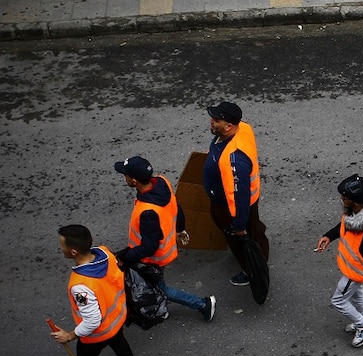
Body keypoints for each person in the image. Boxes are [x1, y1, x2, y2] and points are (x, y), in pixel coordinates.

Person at [114, 156, 216, 321]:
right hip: (164, 251)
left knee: (162, 289)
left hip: (152, 258)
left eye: (125, 175)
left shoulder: (147, 211)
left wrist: (125, 257)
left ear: (134, 181)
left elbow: (149, 246)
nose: (124, 177)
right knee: (155, 285)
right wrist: (180, 228)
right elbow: (177, 207)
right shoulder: (161, 182)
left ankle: (203, 304)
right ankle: (162, 308)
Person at [51, 225, 143, 356]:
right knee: (118, 341)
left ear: (73, 252)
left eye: (62, 245)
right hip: (116, 316)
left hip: (100, 331)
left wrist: (69, 336)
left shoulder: (81, 286)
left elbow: (92, 321)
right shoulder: (105, 253)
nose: (60, 248)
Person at [316, 174, 363, 348]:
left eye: (345, 197)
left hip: (355, 273)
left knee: (338, 301)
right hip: (352, 271)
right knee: (357, 294)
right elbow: (344, 224)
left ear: (355, 202)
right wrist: (329, 236)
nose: (341, 198)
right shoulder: (355, 213)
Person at [203, 101, 270, 286]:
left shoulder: (234, 161)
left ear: (229, 125)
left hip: (229, 208)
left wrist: (239, 226)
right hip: (248, 203)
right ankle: (260, 244)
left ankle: (250, 270)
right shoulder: (243, 128)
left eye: (216, 120)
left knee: (239, 239)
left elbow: (240, 196)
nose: (211, 121)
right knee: (254, 228)